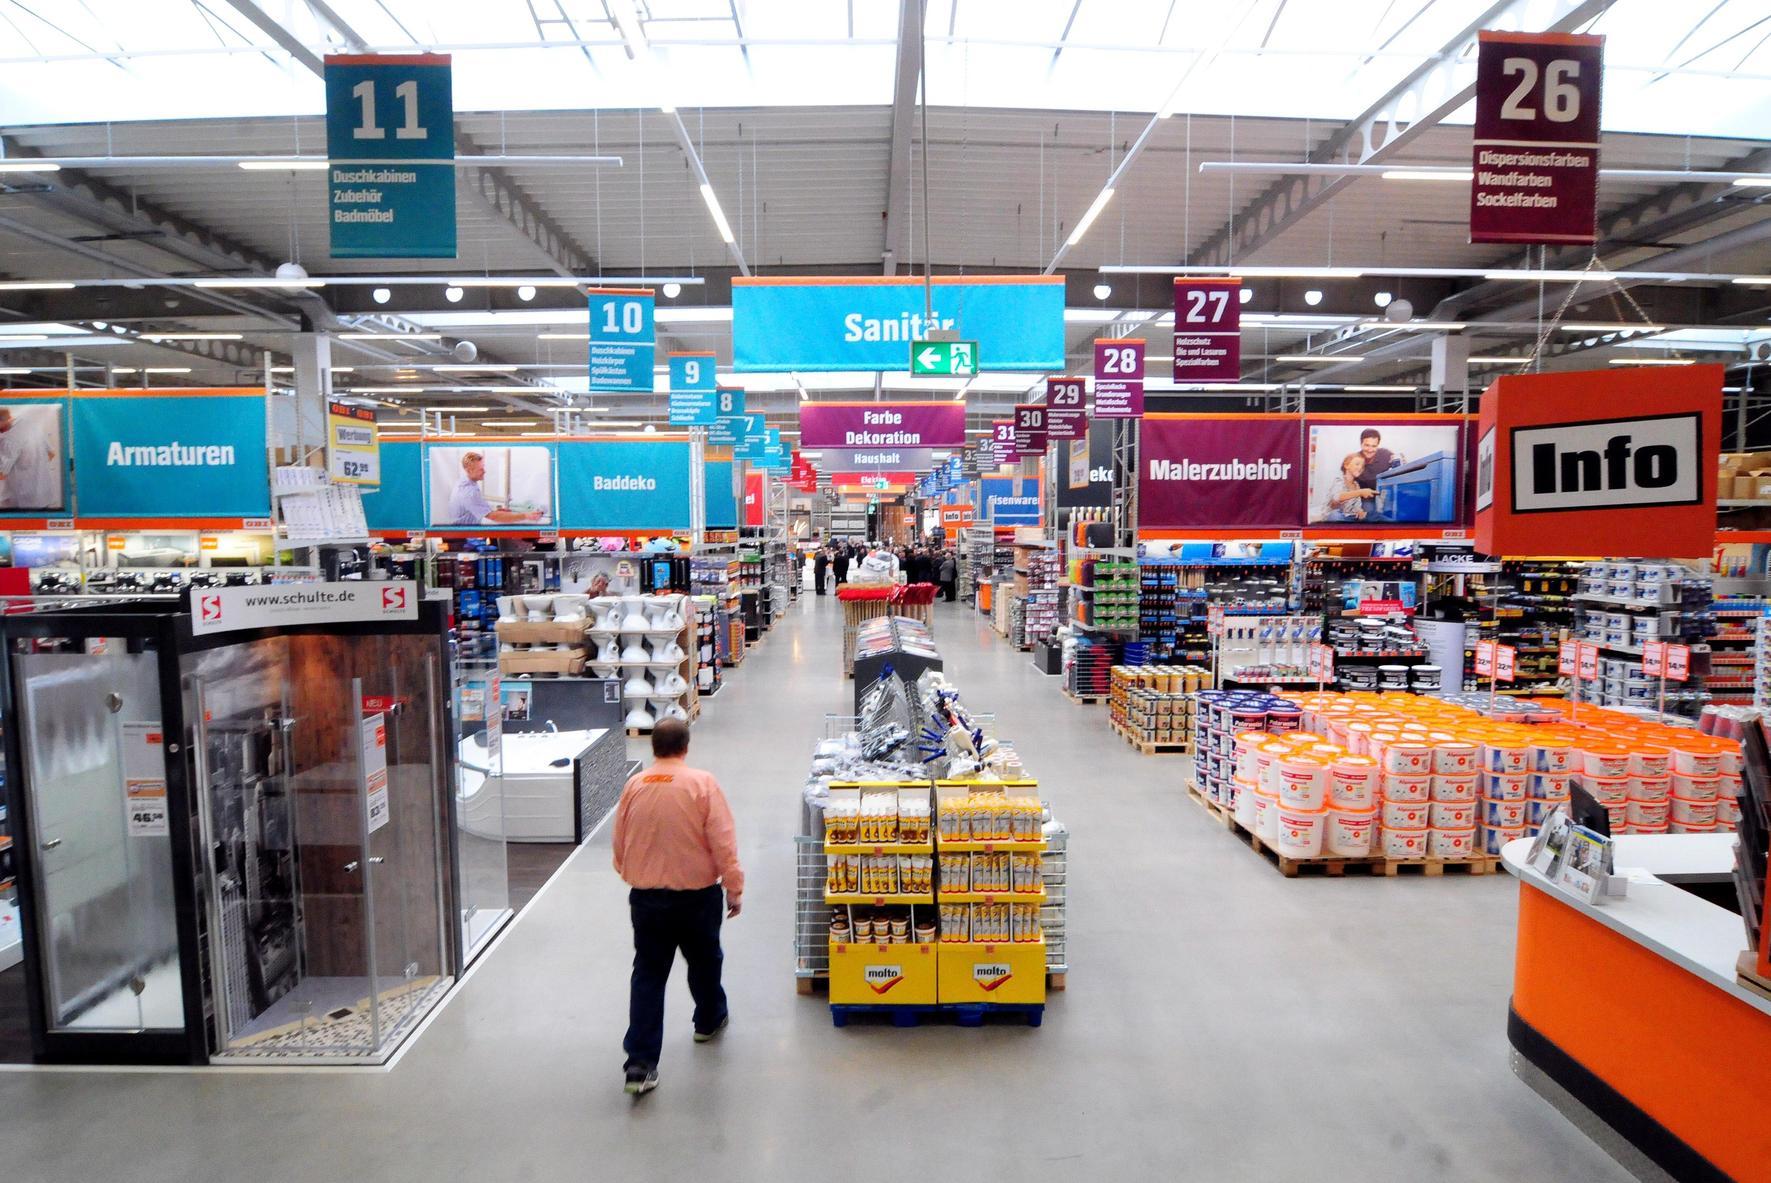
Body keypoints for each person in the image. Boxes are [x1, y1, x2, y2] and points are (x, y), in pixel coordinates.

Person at [611, 717, 743, 1097]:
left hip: (647, 899)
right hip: (696, 898)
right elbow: (723, 842)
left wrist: (632, 872)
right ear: (686, 747)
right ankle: (709, 1019)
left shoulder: (635, 785)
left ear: (653, 747)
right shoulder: (702, 784)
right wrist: (734, 888)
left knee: (648, 975)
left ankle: (640, 1064)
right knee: (705, 961)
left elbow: (620, 840)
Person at [449, 451, 544, 526]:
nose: (484, 471)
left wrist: (496, 511)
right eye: (481, 469)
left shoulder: (465, 482)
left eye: (483, 467)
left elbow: (476, 506)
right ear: (469, 470)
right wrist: (526, 516)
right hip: (462, 536)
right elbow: (493, 517)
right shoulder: (469, 492)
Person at [0, 407, 59, 509]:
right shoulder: (31, 425)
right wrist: (33, 468)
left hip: (22, 501)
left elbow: (1, 473)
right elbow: (51, 453)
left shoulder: (9, 439)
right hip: (44, 496)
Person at [1323, 453, 1376, 522]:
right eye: (1357, 464)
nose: (1360, 468)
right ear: (1346, 465)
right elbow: (1336, 498)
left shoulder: (1356, 485)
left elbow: (1357, 505)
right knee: (1334, 515)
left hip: (1351, 516)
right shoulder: (1338, 480)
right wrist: (1360, 492)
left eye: (1362, 466)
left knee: (1374, 515)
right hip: (1339, 515)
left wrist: (1360, 511)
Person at [1352, 429, 1402, 493]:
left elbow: (1400, 471)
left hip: (1384, 494)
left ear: (1377, 446)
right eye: (1367, 445)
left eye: (1374, 446)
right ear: (1361, 444)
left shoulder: (1386, 455)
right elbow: (1348, 484)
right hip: (1364, 496)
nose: (1370, 450)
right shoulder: (1354, 460)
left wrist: (1402, 462)